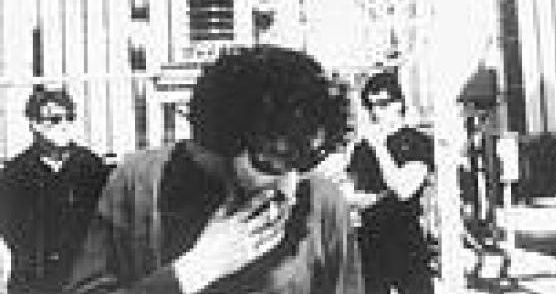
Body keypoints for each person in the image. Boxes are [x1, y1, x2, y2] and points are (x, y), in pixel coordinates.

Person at [66, 46, 363, 294]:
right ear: (223, 142)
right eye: (272, 162)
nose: (291, 186)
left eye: (306, 161)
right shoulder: (139, 183)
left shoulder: (321, 199)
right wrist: (193, 270)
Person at [0, 85, 110, 294]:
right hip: (34, 281)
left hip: (84, 278)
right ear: (34, 124)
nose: (64, 125)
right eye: (55, 119)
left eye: (69, 118)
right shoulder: (15, 173)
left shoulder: (91, 167)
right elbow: (10, 229)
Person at [344, 71, 434, 294]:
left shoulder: (417, 141)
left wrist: (379, 147)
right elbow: (351, 189)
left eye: (383, 104)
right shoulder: (362, 148)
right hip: (370, 238)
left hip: (405, 237)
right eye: (371, 106)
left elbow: (404, 189)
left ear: (399, 103)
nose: (376, 112)